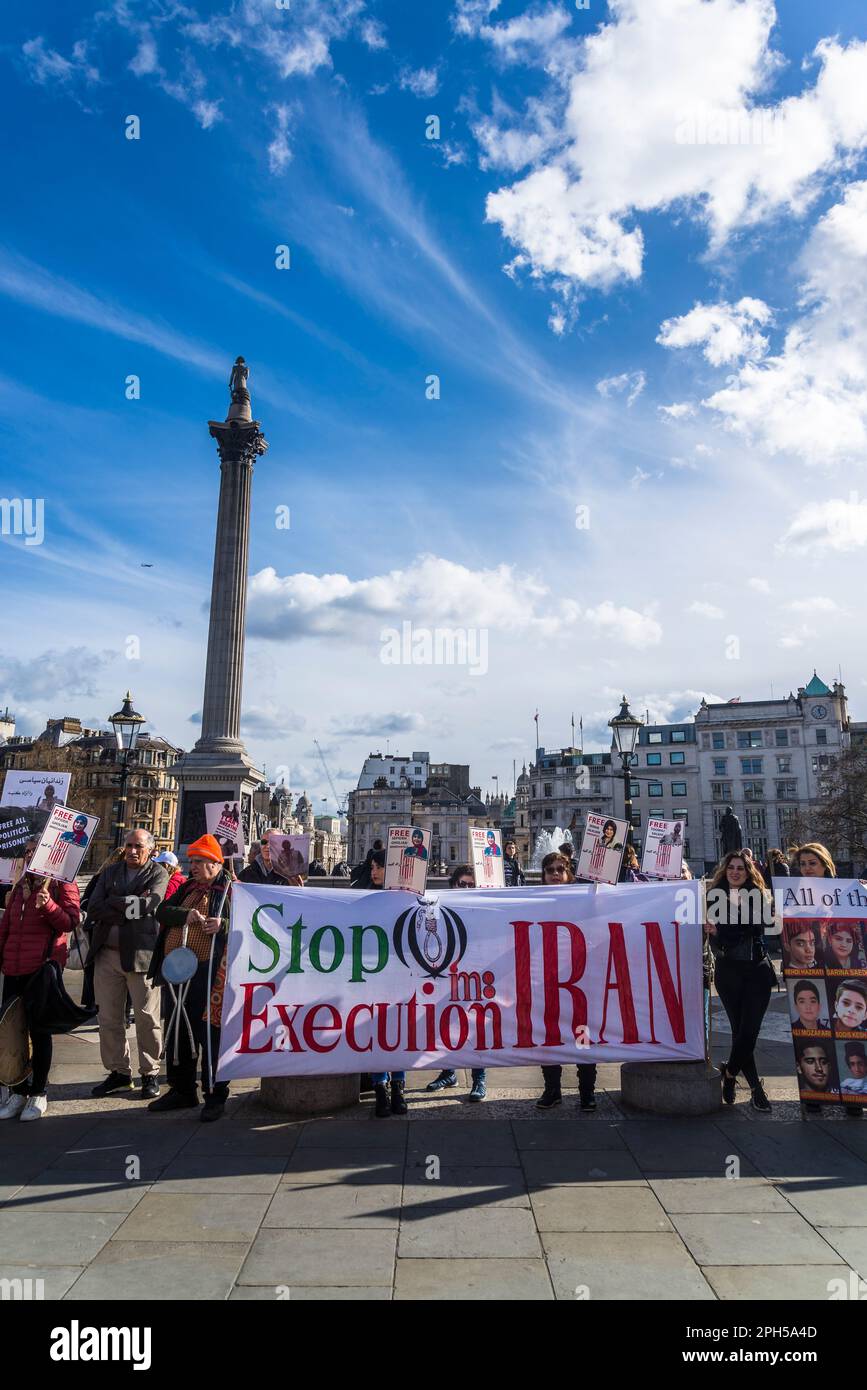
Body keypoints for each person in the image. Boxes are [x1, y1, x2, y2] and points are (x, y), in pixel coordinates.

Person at [149, 835, 234, 1121]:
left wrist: (222, 925)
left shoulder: (230, 890)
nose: (192, 866)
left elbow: (249, 924)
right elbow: (162, 911)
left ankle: (215, 1094)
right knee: (177, 1032)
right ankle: (182, 1089)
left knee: (209, 1035)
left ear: (215, 863)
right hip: (178, 974)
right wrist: (185, 915)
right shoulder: (187, 887)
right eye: (192, 861)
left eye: (199, 861)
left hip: (210, 973)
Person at [0, 836, 80, 1121]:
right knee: (13, 1032)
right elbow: (6, 927)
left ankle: (38, 1092)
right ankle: (18, 1091)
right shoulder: (20, 884)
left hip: (40, 969)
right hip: (13, 969)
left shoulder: (60, 884)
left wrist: (49, 906)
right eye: (28, 852)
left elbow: (70, 922)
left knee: (39, 1031)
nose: (30, 856)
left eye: (36, 852)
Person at [86, 829, 168, 1101]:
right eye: (129, 845)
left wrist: (113, 903)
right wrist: (127, 906)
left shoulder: (158, 874)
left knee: (146, 1018)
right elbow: (94, 907)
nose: (132, 851)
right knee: (109, 1018)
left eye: (139, 846)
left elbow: (148, 905)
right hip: (107, 955)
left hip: (140, 956)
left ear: (151, 850)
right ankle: (119, 1072)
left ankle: (150, 1072)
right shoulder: (111, 872)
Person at [706, 851, 774, 1112]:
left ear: (748, 872)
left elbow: (761, 924)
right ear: (725, 871)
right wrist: (715, 932)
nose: (735, 872)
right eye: (731, 867)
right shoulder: (714, 897)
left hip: (757, 969)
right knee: (739, 1031)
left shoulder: (758, 895)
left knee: (749, 1032)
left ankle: (730, 1072)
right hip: (729, 971)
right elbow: (717, 943)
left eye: (741, 868)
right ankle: (756, 1089)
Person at [535, 852, 597, 1111]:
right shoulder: (532, 900)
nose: (555, 874)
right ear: (543, 874)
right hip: (545, 978)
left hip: (578, 978)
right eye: (550, 869)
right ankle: (552, 1089)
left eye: (560, 869)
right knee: (549, 1035)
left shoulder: (583, 898)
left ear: (569, 872)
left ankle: (587, 1091)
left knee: (583, 1034)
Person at [426, 865, 487, 1102]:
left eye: (472, 885)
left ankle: (479, 1078)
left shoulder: (482, 910)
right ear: (453, 885)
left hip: (474, 974)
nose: (467, 889)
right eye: (463, 884)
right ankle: (448, 1073)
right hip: (447, 972)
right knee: (446, 1024)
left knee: (476, 1025)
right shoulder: (439, 908)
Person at [364, 851, 408, 1117]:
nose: (374, 871)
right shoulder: (364, 896)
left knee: (398, 1030)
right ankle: (380, 1087)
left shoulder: (404, 898)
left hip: (398, 974)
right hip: (373, 974)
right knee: (376, 1032)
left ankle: (398, 1086)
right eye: (372, 867)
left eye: (379, 867)